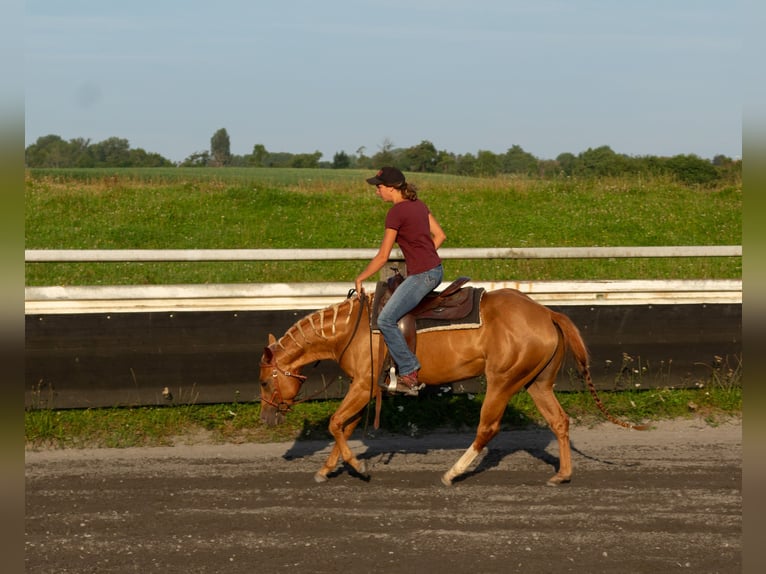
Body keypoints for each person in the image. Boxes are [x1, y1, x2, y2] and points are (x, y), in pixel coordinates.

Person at [354, 167, 446, 395]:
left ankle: (408, 371)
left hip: (423, 274)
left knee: (385, 319)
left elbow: (383, 256)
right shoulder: (419, 205)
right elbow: (440, 236)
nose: (377, 192)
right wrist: (423, 256)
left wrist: (360, 277)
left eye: (379, 187)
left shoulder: (396, 213)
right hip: (434, 269)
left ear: (392, 188)